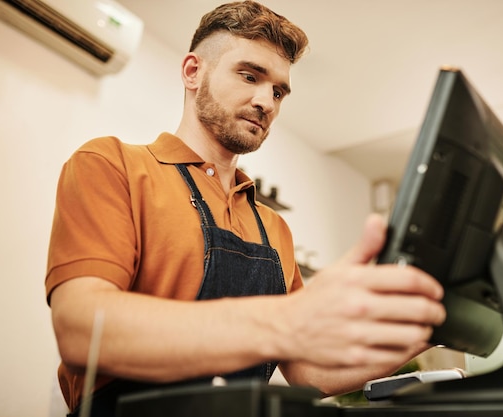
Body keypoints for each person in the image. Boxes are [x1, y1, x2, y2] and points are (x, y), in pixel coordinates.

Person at [45, 1, 446, 416]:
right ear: (192, 72)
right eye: (249, 76)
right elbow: (81, 331)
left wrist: (435, 324)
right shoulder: (112, 165)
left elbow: (309, 371)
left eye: (277, 91)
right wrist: (287, 319)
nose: (266, 102)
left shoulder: (274, 227)